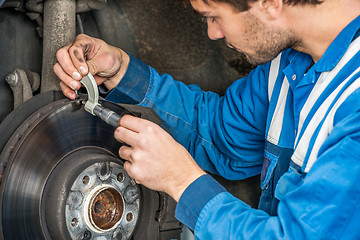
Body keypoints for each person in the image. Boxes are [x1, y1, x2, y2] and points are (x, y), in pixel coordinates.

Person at [54, 0, 360, 238]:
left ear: (270, 3)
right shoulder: (291, 63)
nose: (213, 32)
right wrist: (121, 72)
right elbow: (220, 137)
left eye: (214, 16)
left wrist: (181, 181)